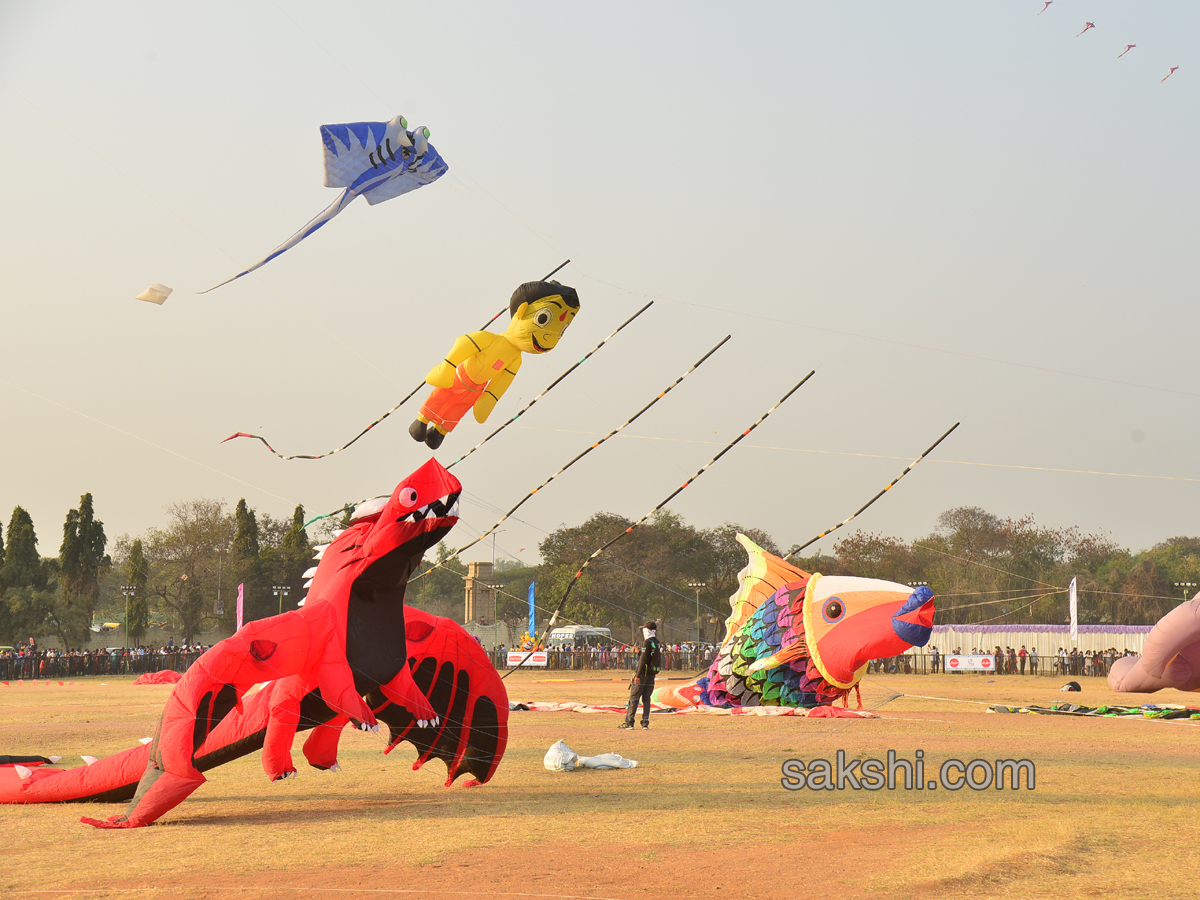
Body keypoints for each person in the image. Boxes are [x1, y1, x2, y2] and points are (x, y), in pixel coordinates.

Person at [619, 621, 662, 730]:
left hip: (642, 674)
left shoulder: (646, 642)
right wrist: (639, 652)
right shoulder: (657, 642)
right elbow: (648, 656)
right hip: (651, 675)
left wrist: (637, 675)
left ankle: (629, 722)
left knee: (634, 697)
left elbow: (643, 660)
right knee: (646, 699)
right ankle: (645, 723)